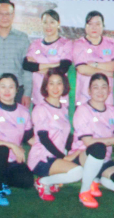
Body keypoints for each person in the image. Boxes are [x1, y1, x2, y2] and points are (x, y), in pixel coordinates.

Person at [72, 73, 114, 205]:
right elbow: (88, 142)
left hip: (105, 159)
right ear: (89, 91)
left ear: (109, 90)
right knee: (98, 147)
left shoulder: (113, 111)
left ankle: (97, 179)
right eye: (95, 87)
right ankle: (84, 191)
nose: (100, 91)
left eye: (104, 87)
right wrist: (113, 140)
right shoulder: (83, 110)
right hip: (84, 157)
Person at [28, 69, 86, 204]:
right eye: (51, 83)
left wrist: (77, 149)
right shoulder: (41, 109)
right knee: (78, 172)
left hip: (56, 157)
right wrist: (63, 157)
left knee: (86, 154)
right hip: (42, 159)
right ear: (46, 87)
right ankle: (43, 182)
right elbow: (44, 139)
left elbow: (65, 136)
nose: (55, 87)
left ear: (64, 86)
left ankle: (54, 179)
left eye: (59, 83)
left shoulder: (63, 108)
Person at [0, 74, 34, 206]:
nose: (7, 90)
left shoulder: (24, 112)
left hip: (13, 160)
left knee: (27, 181)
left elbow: (29, 138)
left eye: (11, 87)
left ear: (17, 90)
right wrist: (12, 146)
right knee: (2, 149)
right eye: (3, 87)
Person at [0, 0, 32, 106]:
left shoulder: (22, 38)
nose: (4, 17)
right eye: (0, 14)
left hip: (17, 92)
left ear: (13, 15)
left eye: (8, 14)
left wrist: (27, 93)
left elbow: (27, 69)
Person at [23, 10, 73, 106]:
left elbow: (63, 68)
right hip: (38, 98)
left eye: (52, 22)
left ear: (58, 23)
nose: (48, 26)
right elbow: (27, 65)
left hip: (59, 98)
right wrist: (55, 65)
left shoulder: (65, 44)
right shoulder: (35, 44)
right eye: (45, 22)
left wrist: (37, 68)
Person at [73, 11, 114, 107]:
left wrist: (95, 64)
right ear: (85, 26)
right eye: (90, 24)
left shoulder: (111, 43)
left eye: (97, 24)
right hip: (84, 98)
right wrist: (107, 73)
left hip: (106, 100)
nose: (94, 27)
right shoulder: (79, 44)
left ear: (103, 26)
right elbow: (82, 69)